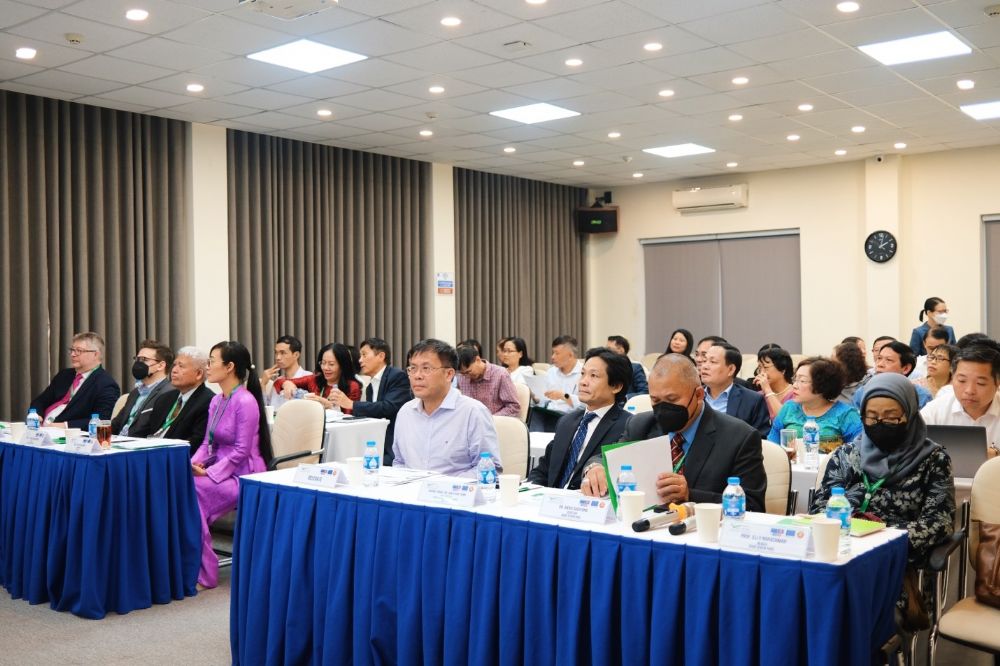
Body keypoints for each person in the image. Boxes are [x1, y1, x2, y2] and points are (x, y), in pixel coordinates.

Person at [581, 353, 766, 511]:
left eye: (672, 399)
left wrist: (690, 495)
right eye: (655, 400)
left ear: (699, 395)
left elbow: (753, 505)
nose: (663, 408)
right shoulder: (641, 424)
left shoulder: (739, 437)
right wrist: (595, 468)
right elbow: (606, 459)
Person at [811, 373, 955, 569]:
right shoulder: (847, 455)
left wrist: (881, 538)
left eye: (891, 417)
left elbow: (939, 523)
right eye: (871, 417)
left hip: (896, 562)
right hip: (840, 555)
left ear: (910, 414)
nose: (880, 423)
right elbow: (819, 508)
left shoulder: (933, 460)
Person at [192, 341, 272, 589]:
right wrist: (192, 464)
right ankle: (191, 564)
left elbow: (241, 451)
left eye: (212, 361)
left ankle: (206, 571)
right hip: (221, 468)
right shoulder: (217, 400)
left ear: (229, 367)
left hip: (244, 474)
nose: (207, 366)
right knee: (181, 484)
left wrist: (210, 473)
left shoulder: (245, 401)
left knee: (194, 490)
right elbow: (207, 442)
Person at [392, 339, 501, 476]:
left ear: (449, 374)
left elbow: (490, 467)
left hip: (456, 488)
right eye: (412, 368)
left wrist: (446, 485)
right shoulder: (405, 412)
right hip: (411, 488)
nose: (417, 376)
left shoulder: (473, 412)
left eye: (426, 368)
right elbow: (400, 462)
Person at [527, 347, 633, 489]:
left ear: (616, 386)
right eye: (583, 374)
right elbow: (543, 469)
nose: (583, 382)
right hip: (552, 498)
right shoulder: (566, 421)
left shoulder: (628, 427)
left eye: (593, 376)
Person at [328, 337, 410, 464]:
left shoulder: (397, 376)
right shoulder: (371, 385)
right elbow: (373, 413)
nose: (360, 360)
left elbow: (388, 407)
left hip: (393, 445)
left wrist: (351, 404)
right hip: (377, 442)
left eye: (364, 355)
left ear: (381, 356)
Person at [768, 357, 862, 451]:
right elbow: (772, 446)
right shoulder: (789, 408)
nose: (794, 386)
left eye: (802, 381)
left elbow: (858, 450)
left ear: (822, 385)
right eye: (795, 379)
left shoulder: (846, 415)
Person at [30, 331, 120, 429]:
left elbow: (102, 420)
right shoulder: (64, 375)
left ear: (95, 354)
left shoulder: (106, 385)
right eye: (72, 350)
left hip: (66, 433)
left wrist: (65, 426)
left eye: (79, 351)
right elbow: (40, 401)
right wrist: (36, 415)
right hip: (39, 428)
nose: (73, 354)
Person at [921, 344, 1000, 452]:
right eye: (962, 381)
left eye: (980, 383)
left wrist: (996, 456)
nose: (969, 390)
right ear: (952, 378)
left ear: (997, 383)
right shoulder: (934, 411)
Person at [146, 346, 214, 451]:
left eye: (181, 366)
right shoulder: (164, 399)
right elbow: (148, 430)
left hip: (176, 455)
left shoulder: (208, 402)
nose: (174, 370)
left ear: (199, 374)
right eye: (174, 365)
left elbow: (196, 442)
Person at [700, 342, 770, 438]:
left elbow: (759, 438)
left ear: (731, 370)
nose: (704, 366)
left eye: (713, 362)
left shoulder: (752, 400)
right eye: (704, 361)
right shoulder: (693, 395)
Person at [111, 339, 175, 436]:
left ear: (160, 366)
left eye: (144, 360)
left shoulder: (169, 393)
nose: (138, 364)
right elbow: (116, 424)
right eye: (137, 359)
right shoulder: (135, 393)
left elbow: (151, 430)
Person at [276, 343, 362, 414]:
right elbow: (278, 382)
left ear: (342, 365)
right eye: (323, 363)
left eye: (331, 364)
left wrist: (329, 406)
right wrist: (286, 383)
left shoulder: (352, 386)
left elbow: (349, 417)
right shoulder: (314, 379)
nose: (325, 368)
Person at [853, 341, 933, 409]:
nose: (880, 364)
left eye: (888, 360)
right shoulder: (862, 392)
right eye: (879, 358)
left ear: (906, 369)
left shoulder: (920, 396)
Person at [456, 344, 520, 417]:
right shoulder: (461, 377)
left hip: (495, 421)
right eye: (463, 374)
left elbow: (514, 407)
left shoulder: (500, 374)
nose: (466, 376)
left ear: (478, 360)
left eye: (469, 372)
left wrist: (490, 419)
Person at [259, 335, 311, 409]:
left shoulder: (309, 378)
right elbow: (267, 409)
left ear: (296, 355)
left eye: (283, 353)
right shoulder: (277, 381)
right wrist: (263, 384)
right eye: (276, 353)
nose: (278, 357)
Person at [754, 346, 795, 419]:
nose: (762, 373)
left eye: (766, 367)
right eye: (759, 368)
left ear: (783, 369)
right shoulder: (758, 396)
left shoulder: (796, 394)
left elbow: (785, 419)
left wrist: (768, 391)